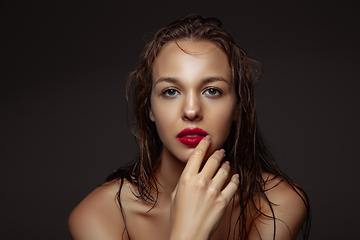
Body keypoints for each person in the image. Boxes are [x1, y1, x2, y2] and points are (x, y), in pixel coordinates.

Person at [68, 15, 310, 240]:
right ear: (150, 108)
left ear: (237, 106)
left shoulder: (277, 202)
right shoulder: (100, 213)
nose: (192, 110)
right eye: (171, 91)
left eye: (212, 91)